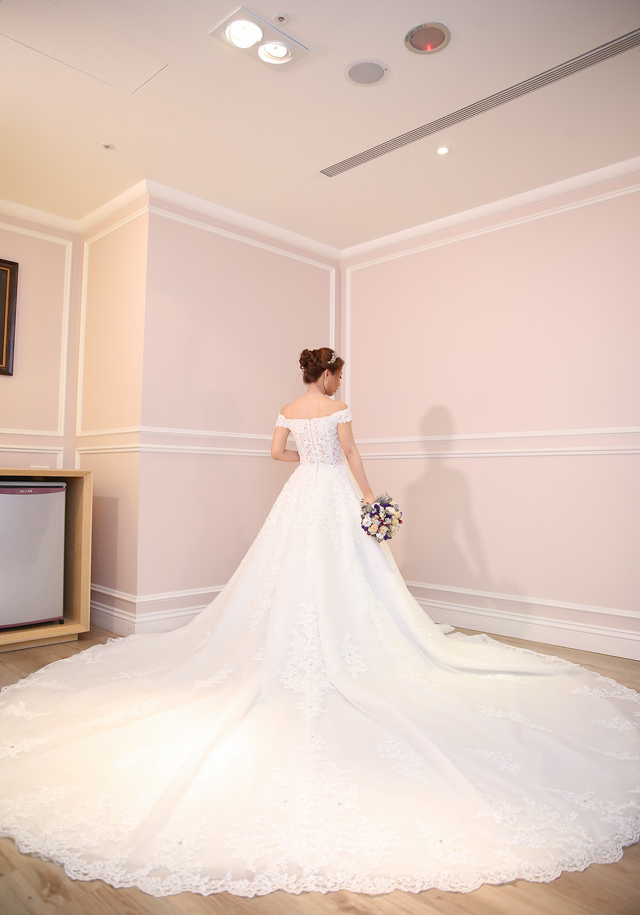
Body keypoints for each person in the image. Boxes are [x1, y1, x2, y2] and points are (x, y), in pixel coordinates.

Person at [0, 347, 638, 899]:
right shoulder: (338, 409)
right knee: (349, 570)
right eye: (339, 375)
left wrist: (309, 463)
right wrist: (368, 497)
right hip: (331, 491)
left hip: (301, 492)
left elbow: (276, 453)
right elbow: (352, 454)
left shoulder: (287, 408)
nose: (340, 383)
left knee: (287, 571)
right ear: (328, 375)